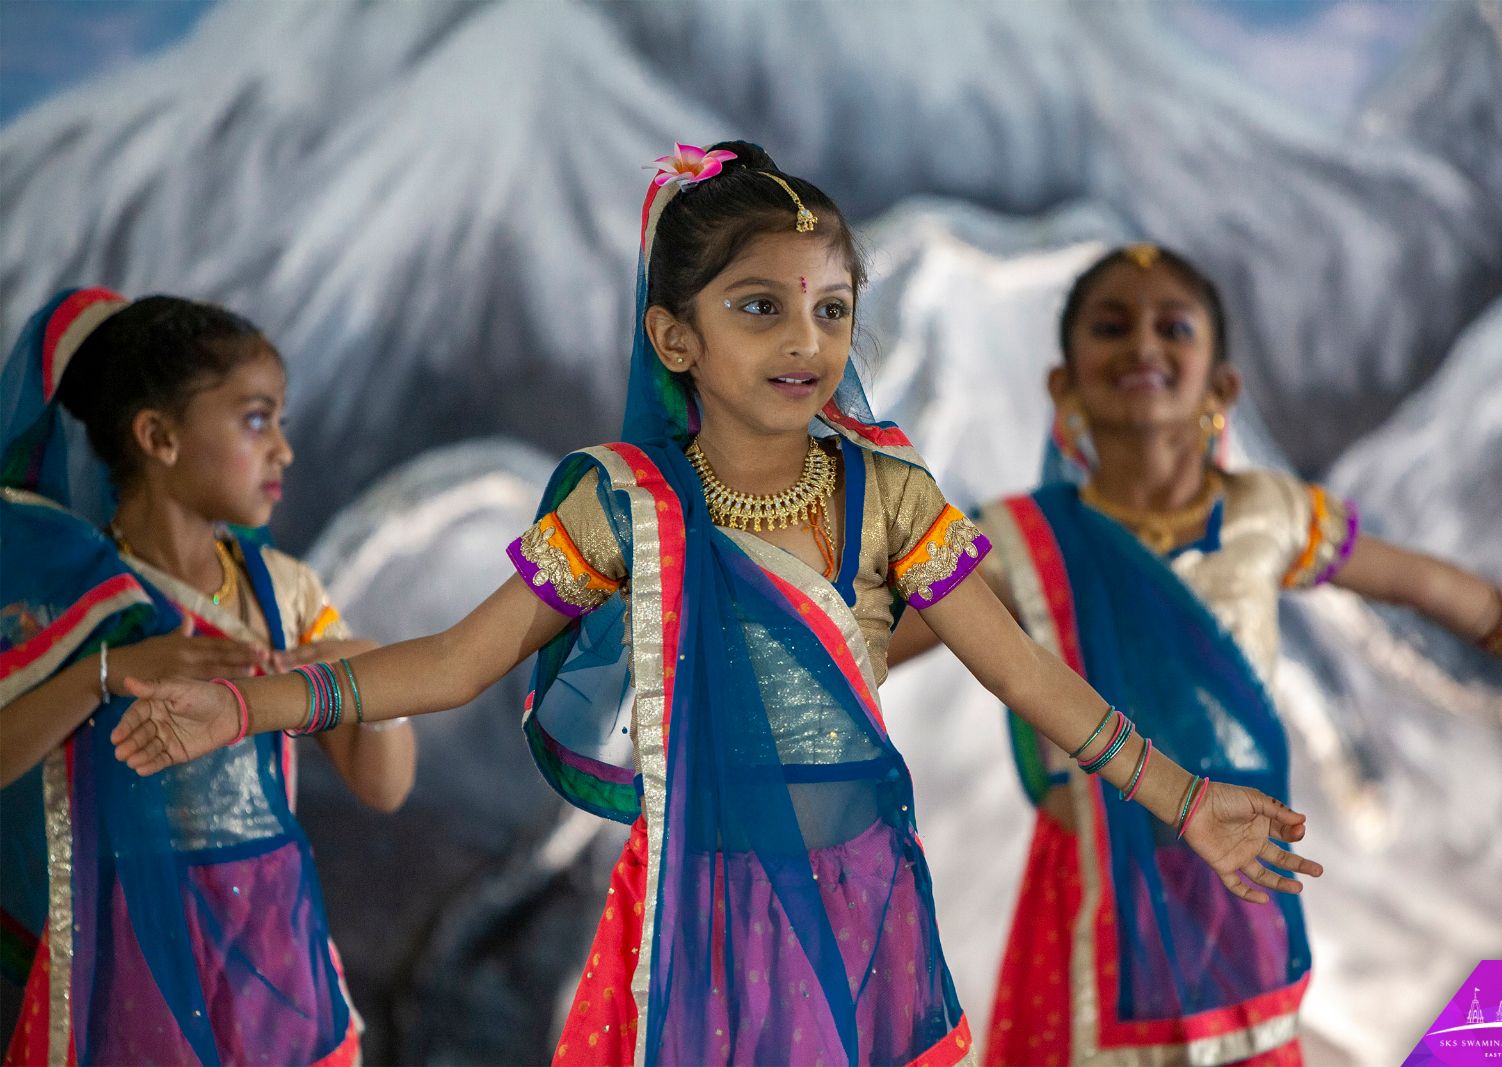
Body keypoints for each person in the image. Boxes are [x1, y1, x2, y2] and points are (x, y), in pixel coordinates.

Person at [108, 147, 1319, 1067]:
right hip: (695, 913)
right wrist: (245, 706)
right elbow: (454, 661)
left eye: (831, 308)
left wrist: (1187, 799)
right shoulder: (625, 505)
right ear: (672, 336)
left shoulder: (890, 494)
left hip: (863, 907)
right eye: (759, 306)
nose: (805, 339)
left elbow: (1023, 672)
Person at [890, 243, 1502, 1065]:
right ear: (1063, 385)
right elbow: (878, 645)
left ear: (1222, 388)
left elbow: (1418, 582)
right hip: (1089, 900)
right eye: (1112, 327)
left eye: (1174, 328)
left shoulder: (1268, 515)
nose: (1143, 345)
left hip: (1236, 890)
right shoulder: (1023, 540)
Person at [0, 290, 416, 1065]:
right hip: (128, 961)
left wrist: (372, 683)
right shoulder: (74, 599)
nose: (283, 450)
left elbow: (382, 786)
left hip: (274, 955)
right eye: (257, 419)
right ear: (158, 436)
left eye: (281, 421)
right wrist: (104, 673)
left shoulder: (286, 595)